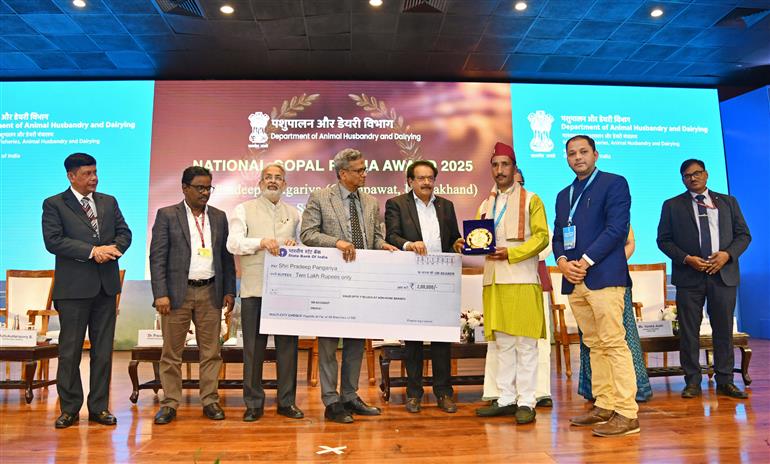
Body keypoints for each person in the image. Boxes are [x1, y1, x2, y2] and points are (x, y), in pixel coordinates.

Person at [300, 148, 399, 423]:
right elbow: (307, 234)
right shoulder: (321, 197)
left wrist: (384, 246)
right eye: (359, 170)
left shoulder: (369, 201)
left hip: (361, 281)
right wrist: (337, 243)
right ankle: (331, 401)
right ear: (343, 173)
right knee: (329, 344)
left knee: (356, 342)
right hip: (330, 282)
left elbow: (374, 238)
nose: (364, 174)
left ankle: (350, 395)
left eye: (364, 169)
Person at [553, 135, 639, 437]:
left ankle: (628, 413)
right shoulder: (564, 195)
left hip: (604, 276)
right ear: (566, 158)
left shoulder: (615, 183)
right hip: (574, 280)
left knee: (614, 342)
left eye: (584, 152)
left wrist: (585, 261)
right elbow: (558, 237)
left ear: (596, 154)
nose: (578, 157)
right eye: (572, 153)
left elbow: (617, 229)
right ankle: (605, 404)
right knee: (593, 343)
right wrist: (563, 262)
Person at [42, 153, 132, 429]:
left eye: (95, 172)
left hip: (106, 288)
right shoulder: (54, 204)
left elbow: (125, 233)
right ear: (71, 176)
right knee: (69, 352)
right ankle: (69, 408)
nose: (94, 178)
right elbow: (54, 241)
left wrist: (113, 249)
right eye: (87, 173)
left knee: (103, 352)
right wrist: (93, 251)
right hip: (73, 290)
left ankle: (99, 408)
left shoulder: (108, 201)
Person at [657, 159, 751, 399]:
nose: (693, 178)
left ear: (706, 174)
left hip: (723, 274)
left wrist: (727, 255)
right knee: (689, 332)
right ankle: (692, 382)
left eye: (697, 173)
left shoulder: (728, 202)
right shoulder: (672, 205)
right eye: (687, 175)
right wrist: (687, 258)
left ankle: (725, 380)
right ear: (682, 179)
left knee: (723, 330)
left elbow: (743, 235)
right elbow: (664, 240)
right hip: (690, 276)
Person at [149, 166, 236, 425]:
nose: (205, 193)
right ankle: (170, 403)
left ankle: (210, 400)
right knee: (171, 353)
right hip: (177, 294)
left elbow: (225, 257)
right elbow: (157, 257)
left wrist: (229, 290)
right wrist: (160, 294)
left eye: (208, 187)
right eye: (199, 187)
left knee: (211, 352)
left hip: (211, 291)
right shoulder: (166, 215)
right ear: (184, 187)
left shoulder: (219, 217)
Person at [472, 142, 549, 425]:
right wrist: (465, 244)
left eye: (505, 164)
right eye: (495, 165)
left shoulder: (532, 200)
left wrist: (511, 253)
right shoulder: (485, 203)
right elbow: (480, 240)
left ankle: (526, 401)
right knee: (503, 344)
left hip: (522, 278)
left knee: (525, 344)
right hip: (493, 281)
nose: (500, 170)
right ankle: (505, 398)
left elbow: (542, 238)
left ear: (514, 168)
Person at [384, 160, 464, 414]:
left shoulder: (446, 206)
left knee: (442, 339)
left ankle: (443, 393)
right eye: (421, 178)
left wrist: (460, 243)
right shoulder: (396, 204)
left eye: (430, 178)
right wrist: (409, 244)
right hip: (412, 278)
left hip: (441, 279)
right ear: (410, 181)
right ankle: (414, 393)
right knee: (414, 341)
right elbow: (391, 236)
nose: (426, 182)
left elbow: (452, 239)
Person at [226, 163, 304, 421]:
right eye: (268, 178)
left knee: (288, 349)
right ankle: (253, 403)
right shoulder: (244, 209)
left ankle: (286, 402)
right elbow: (233, 243)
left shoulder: (294, 214)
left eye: (278, 178)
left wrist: (295, 245)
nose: (273, 182)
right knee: (253, 350)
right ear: (259, 183)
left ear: (285, 185)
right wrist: (260, 242)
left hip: (287, 293)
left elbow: (304, 247)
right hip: (254, 290)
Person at [577, 225, 653, 403]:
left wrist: (612, 264)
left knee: (621, 334)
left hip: (614, 278)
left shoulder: (614, 208)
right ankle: (598, 390)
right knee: (592, 337)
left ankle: (631, 391)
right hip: (585, 279)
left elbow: (630, 243)